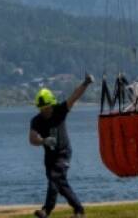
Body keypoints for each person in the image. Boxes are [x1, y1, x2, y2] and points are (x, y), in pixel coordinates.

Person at [29, 74, 93, 217]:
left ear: (52, 104)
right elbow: (32, 138)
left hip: (63, 153)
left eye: (47, 107)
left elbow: (74, 97)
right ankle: (79, 210)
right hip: (49, 156)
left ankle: (46, 210)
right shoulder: (36, 121)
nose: (45, 111)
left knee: (54, 177)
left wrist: (86, 83)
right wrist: (43, 141)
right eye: (42, 109)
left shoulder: (60, 110)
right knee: (60, 185)